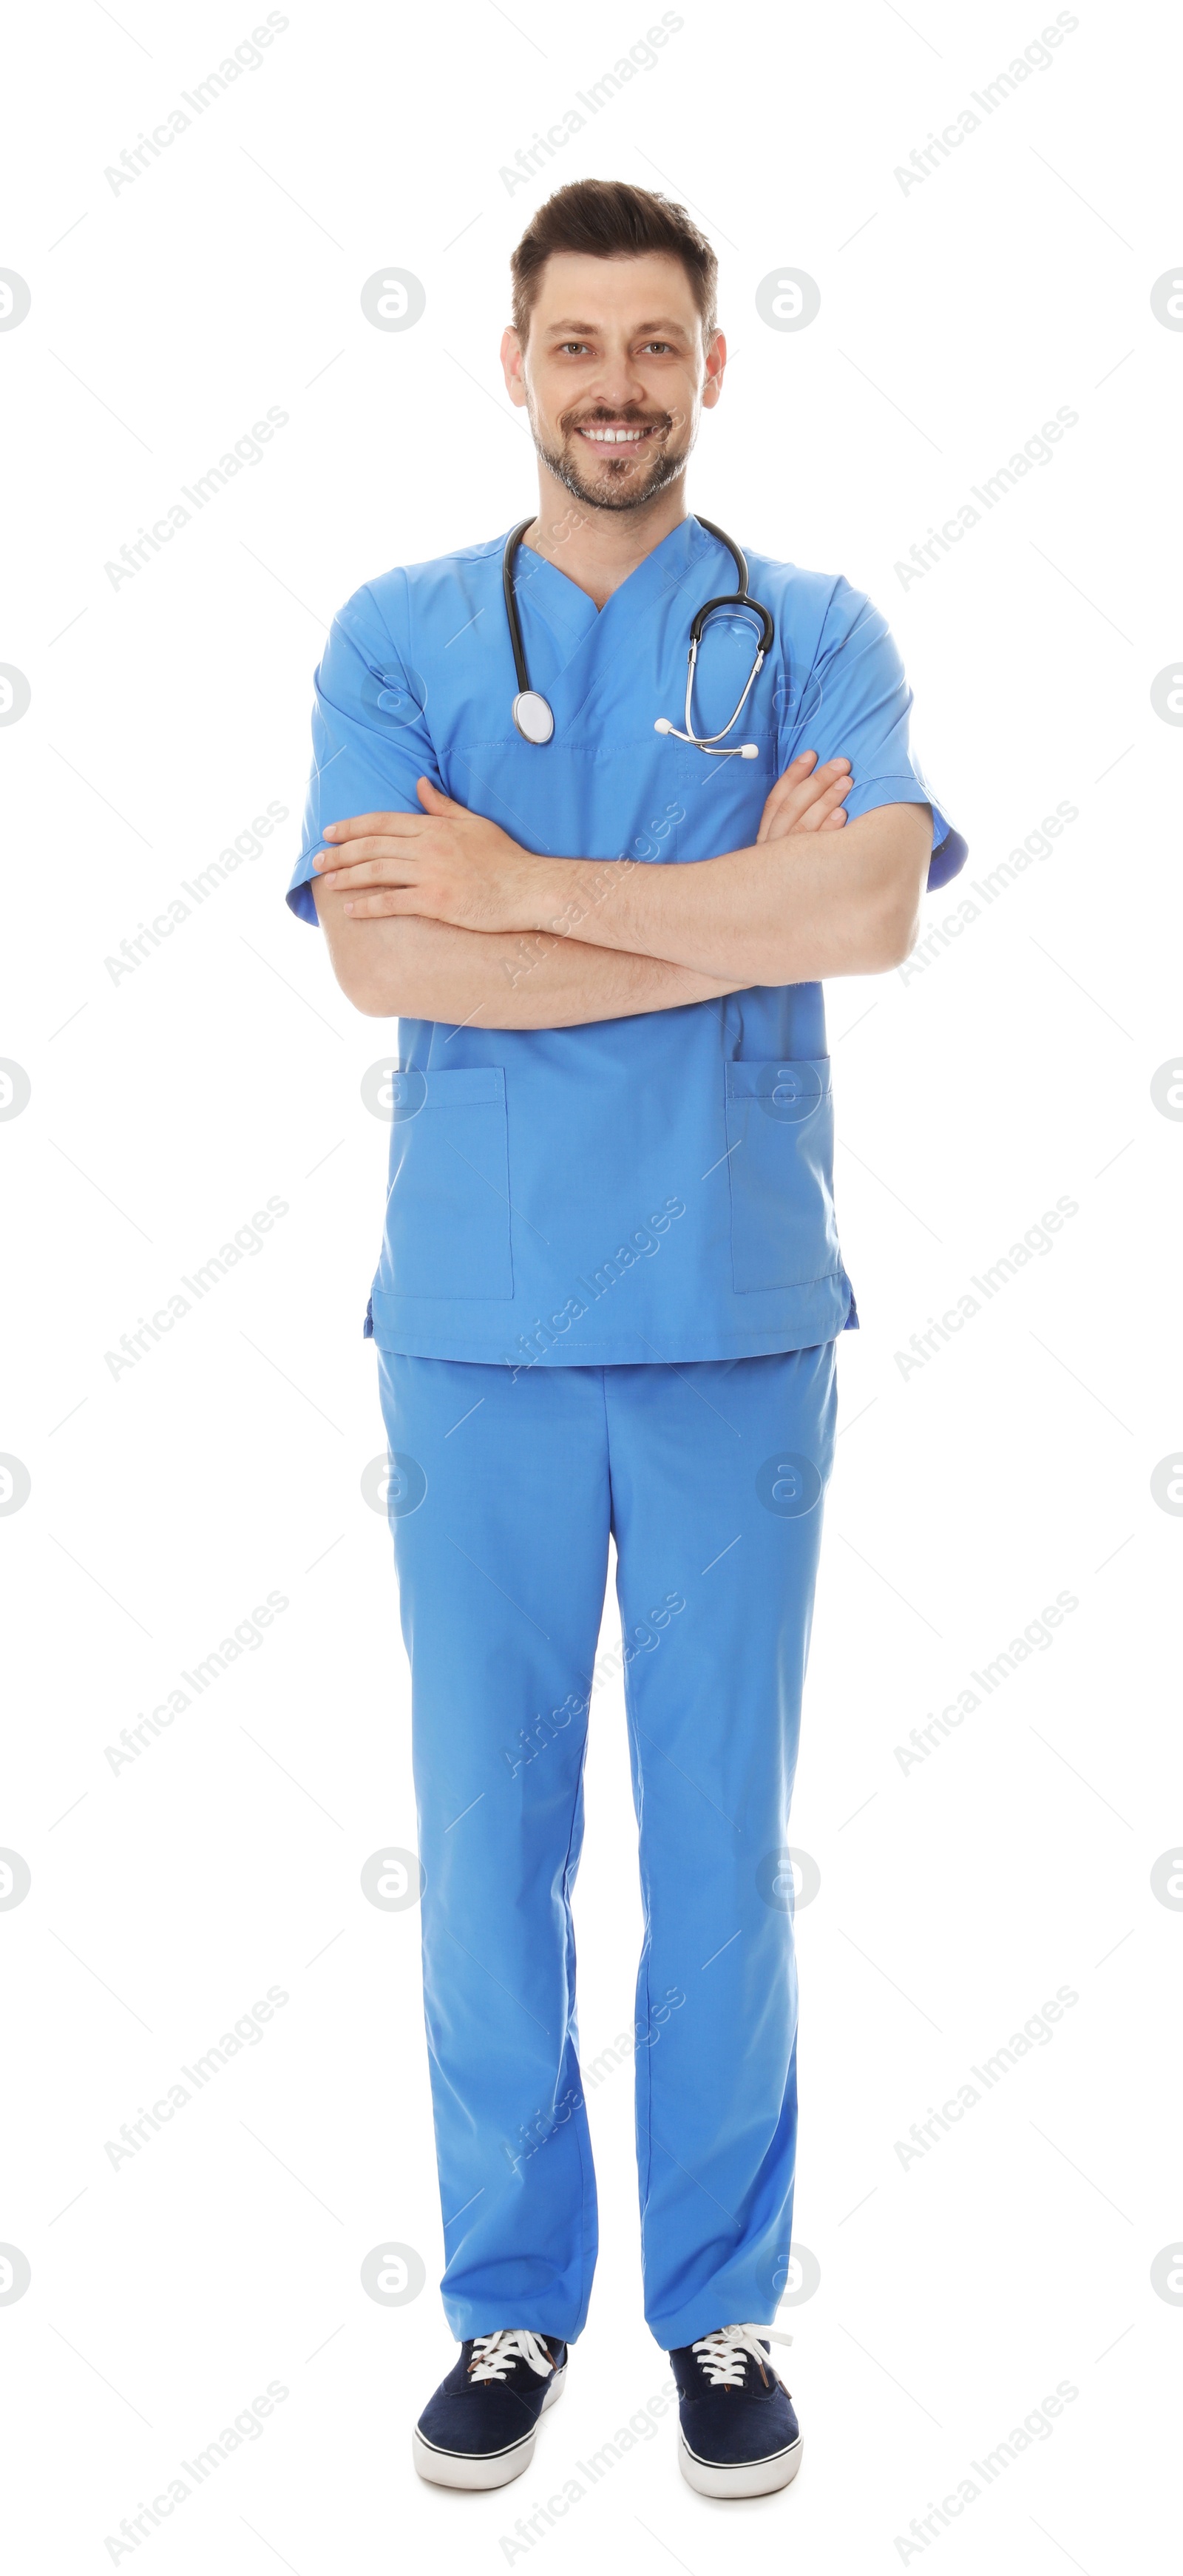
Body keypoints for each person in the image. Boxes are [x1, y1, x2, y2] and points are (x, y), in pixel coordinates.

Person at [286, 178, 966, 2501]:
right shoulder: (392, 638)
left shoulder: (814, 633)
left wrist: (528, 882)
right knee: (485, 1851)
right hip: (472, 1337)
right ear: (513, 363)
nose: (613, 385)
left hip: (731, 1334)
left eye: (653, 346)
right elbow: (389, 964)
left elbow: (867, 903)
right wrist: (719, 918)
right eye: (574, 344)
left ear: (707, 367)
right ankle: (505, 2297)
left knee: (719, 1847)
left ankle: (721, 2306)